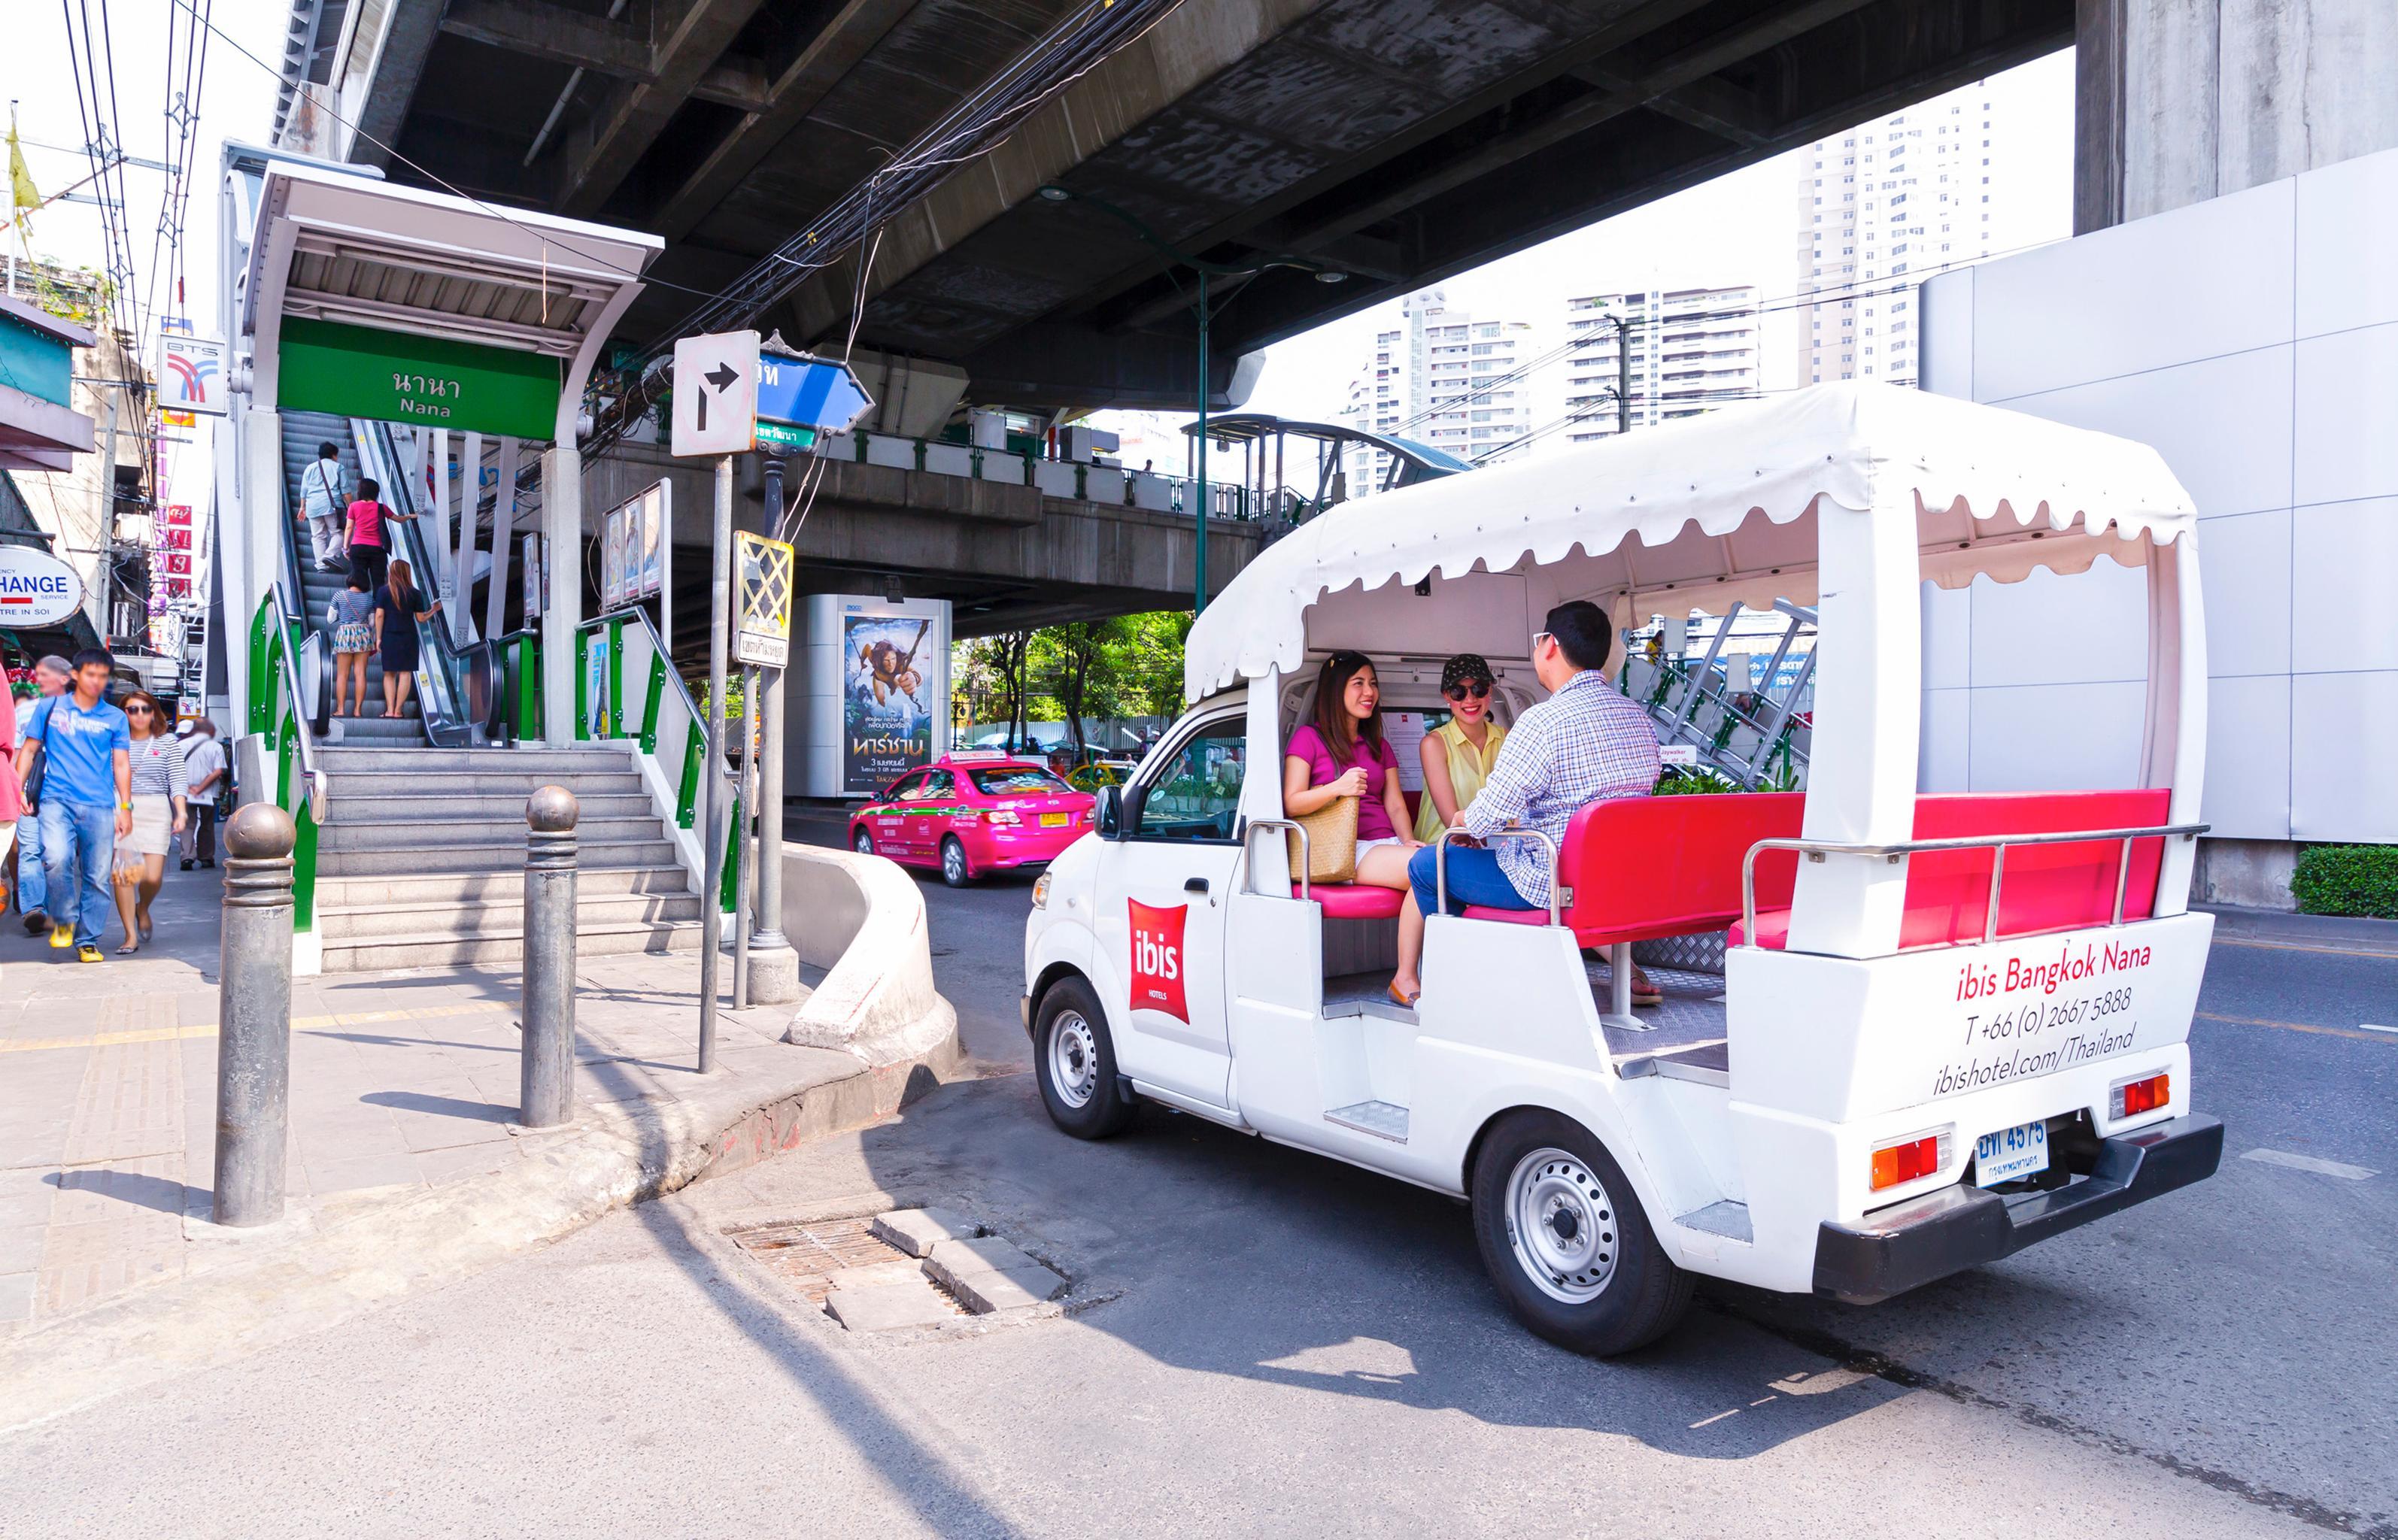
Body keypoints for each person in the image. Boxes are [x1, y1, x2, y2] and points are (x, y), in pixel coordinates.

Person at [1388, 602, 1661, 1008]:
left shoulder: (1543, 721)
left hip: (1552, 881)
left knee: (1428, 866)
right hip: (1615, 878)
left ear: (1549, 646)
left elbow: (1484, 815)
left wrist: (1467, 820)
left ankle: (1472, 984)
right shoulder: (1636, 716)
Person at [14, 648, 132, 964]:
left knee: (96, 876)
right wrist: (18, 789)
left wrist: (126, 807)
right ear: (76, 675)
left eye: (103, 676)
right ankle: (64, 919)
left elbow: (121, 764)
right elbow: (28, 751)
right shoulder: (50, 708)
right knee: (55, 859)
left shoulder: (115, 717)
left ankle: (88, 940)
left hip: (99, 805)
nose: (96, 681)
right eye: (91, 674)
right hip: (56, 800)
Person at [1282, 650, 1421, 895]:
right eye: (1359, 684)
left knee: (1442, 865)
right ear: (1335, 690)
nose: (1370, 692)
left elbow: (1396, 805)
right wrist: (1337, 787)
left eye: (1373, 684)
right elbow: (1292, 803)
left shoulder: (1380, 746)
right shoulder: (1308, 738)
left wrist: (1407, 841)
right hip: (1348, 849)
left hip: (1388, 843)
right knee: (1429, 870)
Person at [111, 691, 186, 953]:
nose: (139, 714)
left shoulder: (167, 742)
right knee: (124, 875)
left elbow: (177, 778)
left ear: (154, 712)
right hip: (122, 807)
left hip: (156, 808)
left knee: (152, 877)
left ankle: (142, 907)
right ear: (124, 714)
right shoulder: (114, 741)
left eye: (145, 709)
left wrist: (181, 811)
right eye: (132, 710)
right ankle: (129, 936)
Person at [1412, 652, 1509, 843]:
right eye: (1459, 692)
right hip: (1443, 846)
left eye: (1478, 689)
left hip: (1495, 846)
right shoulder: (1434, 744)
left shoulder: (1508, 738)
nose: (1470, 699)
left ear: (1489, 690)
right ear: (1447, 696)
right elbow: (1453, 824)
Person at [12, 655, 73, 935]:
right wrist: (18, 789)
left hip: (50, 795)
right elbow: (17, 754)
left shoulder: (84, 713)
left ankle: (44, 907)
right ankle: (36, 908)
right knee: (39, 851)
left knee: (44, 853)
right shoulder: (78, 712)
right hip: (42, 794)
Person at [373, 556, 439, 720]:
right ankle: (398, 711)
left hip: (389, 635)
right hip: (408, 637)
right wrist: (434, 610)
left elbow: (380, 615)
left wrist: (378, 637)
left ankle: (389, 710)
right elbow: (421, 619)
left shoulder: (383, 591)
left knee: (389, 674)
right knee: (405, 673)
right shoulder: (415, 593)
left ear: (392, 572)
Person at [343, 476, 417, 593]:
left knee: (358, 579)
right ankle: (378, 608)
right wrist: (409, 516)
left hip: (358, 547)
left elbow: (349, 528)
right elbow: (399, 519)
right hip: (377, 549)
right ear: (375, 492)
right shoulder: (381, 508)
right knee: (378, 581)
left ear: (360, 491)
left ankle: (359, 604)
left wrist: (345, 547)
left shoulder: (354, 506)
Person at [178, 718, 227, 870]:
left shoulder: (180, 745)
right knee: (206, 824)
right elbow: (218, 771)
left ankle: (187, 857)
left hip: (185, 791)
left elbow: (174, 769)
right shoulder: (216, 747)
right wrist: (200, 788)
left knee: (187, 824)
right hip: (209, 792)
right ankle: (206, 857)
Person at [328, 575, 377, 717]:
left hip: (345, 633)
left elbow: (330, 619)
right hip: (363, 634)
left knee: (342, 675)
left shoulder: (339, 595)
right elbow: (372, 622)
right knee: (360, 673)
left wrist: (343, 616)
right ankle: (357, 710)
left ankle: (341, 709)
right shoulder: (369, 598)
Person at [302, 441, 348, 571]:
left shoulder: (309, 468)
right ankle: (329, 555)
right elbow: (345, 491)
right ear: (334, 455)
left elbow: (304, 491)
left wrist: (302, 508)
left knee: (317, 536)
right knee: (339, 533)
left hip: (312, 506)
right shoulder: (338, 467)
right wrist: (350, 506)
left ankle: (321, 566)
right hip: (331, 505)